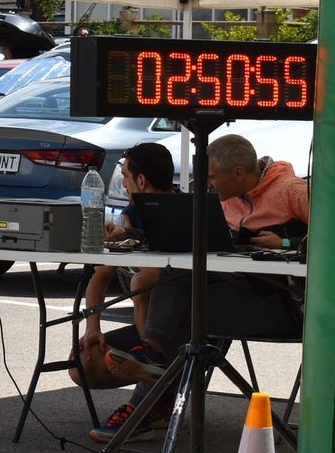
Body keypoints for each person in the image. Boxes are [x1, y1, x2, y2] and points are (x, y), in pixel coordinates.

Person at [104, 134, 306, 387]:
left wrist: (286, 243)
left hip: (284, 302)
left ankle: (157, 389)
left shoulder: (292, 190)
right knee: (176, 274)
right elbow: (191, 237)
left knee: (185, 311)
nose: (208, 184)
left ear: (238, 173)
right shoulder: (227, 199)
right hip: (241, 288)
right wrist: (131, 234)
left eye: (212, 177)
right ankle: (154, 358)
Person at [72, 141, 174, 442]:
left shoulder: (182, 213)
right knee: (84, 365)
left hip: (179, 327)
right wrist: (93, 328)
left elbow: (157, 275)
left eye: (126, 178)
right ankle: (157, 392)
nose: (125, 185)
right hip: (146, 328)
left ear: (141, 180)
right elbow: (99, 276)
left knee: (142, 281)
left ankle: (147, 402)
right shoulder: (132, 214)